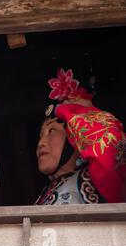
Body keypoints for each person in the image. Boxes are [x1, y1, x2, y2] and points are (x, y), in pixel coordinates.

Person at [35, 69, 126, 205]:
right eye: (40, 136)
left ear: (75, 137)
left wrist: (68, 110)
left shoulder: (96, 179)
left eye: (52, 131)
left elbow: (110, 140)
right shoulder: (44, 193)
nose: (41, 142)